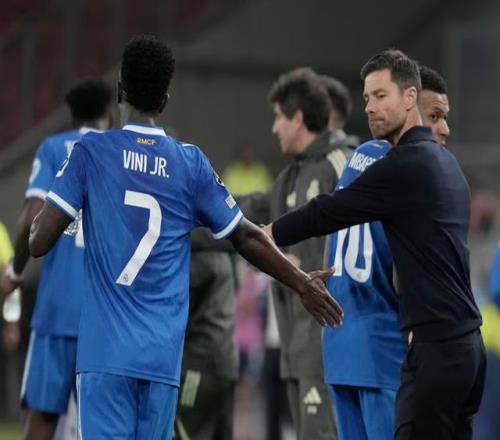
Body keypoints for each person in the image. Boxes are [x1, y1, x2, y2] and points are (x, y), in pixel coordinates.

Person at [28, 35, 342, 439]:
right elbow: (245, 236)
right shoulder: (190, 163)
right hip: (162, 360)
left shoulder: (91, 152)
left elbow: (38, 241)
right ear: (164, 100)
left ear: (120, 90)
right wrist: (301, 283)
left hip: (105, 356)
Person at [267, 49, 486, 440]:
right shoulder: (442, 166)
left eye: (380, 96)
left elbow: (328, 215)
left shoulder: (380, 162)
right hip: (437, 343)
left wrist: (267, 236)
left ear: (409, 98)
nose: (369, 107)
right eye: (367, 98)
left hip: (365, 342)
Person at [323, 64, 452, 440]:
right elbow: (405, 274)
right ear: (410, 109)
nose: (443, 129)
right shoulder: (413, 172)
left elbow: (331, 239)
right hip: (384, 351)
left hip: (340, 347)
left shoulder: (360, 156)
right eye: (434, 117)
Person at [239, 67, 348, 440]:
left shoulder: (340, 164)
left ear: (298, 118)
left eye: (278, 117)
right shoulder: (287, 178)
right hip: (292, 346)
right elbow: (246, 211)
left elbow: (364, 239)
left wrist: (310, 266)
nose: (274, 128)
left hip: (325, 345)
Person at [0, 79, 112, 440]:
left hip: (57, 308)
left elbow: (32, 214)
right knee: (100, 425)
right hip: (107, 314)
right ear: (109, 115)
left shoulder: (53, 147)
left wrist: (16, 272)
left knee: (42, 417)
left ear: (72, 115)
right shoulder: (117, 153)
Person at [173, 228, 239, 440]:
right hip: (226, 364)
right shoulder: (225, 253)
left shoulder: (199, 254)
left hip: (197, 367)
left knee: (187, 433)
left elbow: (177, 312)